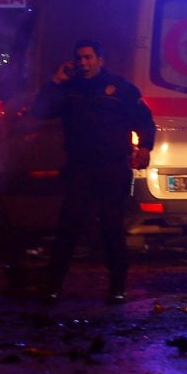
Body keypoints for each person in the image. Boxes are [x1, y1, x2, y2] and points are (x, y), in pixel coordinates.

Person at [31, 39, 156, 304]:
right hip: (80, 167)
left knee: (112, 227)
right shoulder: (69, 89)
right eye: (80, 58)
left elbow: (144, 120)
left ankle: (117, 287)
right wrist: (55, 81)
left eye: (88, 57)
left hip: (112, 166)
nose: (84, 63)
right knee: (69, 226)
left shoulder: (120, 89)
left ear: (101, 59)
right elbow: (39, 111)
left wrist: (145, 148)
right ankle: (52, 286)